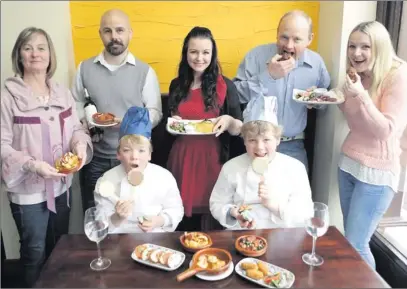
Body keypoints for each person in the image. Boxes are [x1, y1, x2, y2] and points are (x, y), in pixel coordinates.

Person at [1, 27, 93, 287]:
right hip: (27, 191)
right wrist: (32, 165)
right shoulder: (7, 98)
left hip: (61, 186)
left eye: (41, 48)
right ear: (19, 55)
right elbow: (2, 143)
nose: (35, 54)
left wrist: (80, 147)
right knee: (34, 253)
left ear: (50, 55)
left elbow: (76, 129)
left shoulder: (62, 93)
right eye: (28, 48)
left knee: (59, 249)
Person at [71, 9, 163, 213]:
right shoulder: (84, 68)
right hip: (96, 158)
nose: (114, 37)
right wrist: (87, 121)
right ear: (100, 34)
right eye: (108, 31)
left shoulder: (145, 71)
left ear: (130, 33)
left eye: (120, 30)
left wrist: (128, 124)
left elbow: (155, 112)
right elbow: (75, 104)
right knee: (97, 214)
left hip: (134, 159)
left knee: (135, 215)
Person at [338, 21, 407, 269]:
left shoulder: (398, 75)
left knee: (356, 244)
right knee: (349, 241)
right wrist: (337, 97)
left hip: (378, 173)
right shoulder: (359, 75)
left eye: (365, 47)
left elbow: (385, 130)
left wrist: (358, 94)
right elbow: (356, 121)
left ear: (379, 47)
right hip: (348, 164)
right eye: (352, 46)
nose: (356, 53)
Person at [167, 26, 244, 231]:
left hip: (214, 158)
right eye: (193, 51)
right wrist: (175, 123)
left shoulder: (226, 85)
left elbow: (240, 129)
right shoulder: (176, 84)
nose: (199, 57)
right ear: (185, 54)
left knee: (214, 216)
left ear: (212, 54)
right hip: (182, 157)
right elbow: (173, 123)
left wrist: (228, 120)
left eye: (205, 52)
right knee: (183, 218)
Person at [234, 10, 331, 171]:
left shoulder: (316, 64)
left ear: (309, 39)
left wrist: (316, 99)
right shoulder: (255, 57)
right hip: (256, 146)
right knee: (254, 194)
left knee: (295, 196)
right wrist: (268, 75)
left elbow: (326, 99)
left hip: (294, 147)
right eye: (284, 37)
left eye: (297, 39)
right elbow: (236, 96)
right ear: (277, 34)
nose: (289, 45)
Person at [210, 96, 313, 229]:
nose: (259, 147)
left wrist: (274, 205)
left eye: (266, 140)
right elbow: (217, 203)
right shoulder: (231, 167)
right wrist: (233, 212)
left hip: (283, 235)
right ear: (244, 141)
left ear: (278, 140)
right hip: (240, 233)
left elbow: (305, 212)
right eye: (252, 140)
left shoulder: (295, 168)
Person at [94, 106, 184, 233]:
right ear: (118, 154)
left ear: (149, 155)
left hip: (155, 239)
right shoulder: (106, 181)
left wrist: (157, 221)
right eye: (127, 150)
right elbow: (100, 224)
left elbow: (176, 211)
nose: (134, 157)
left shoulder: (164, 178)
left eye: (141, 150)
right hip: (118, 241)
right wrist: (117, 217)